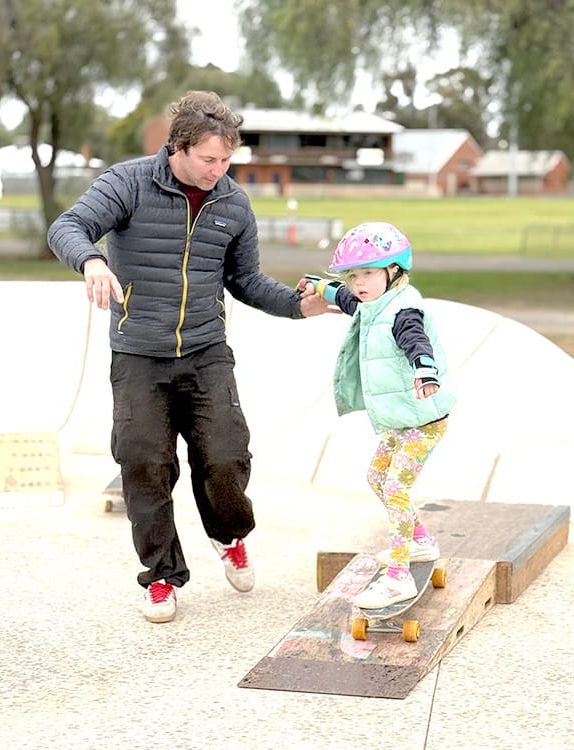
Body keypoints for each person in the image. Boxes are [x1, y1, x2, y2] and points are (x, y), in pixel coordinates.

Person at [48, 91, 332, 623]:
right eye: (208, 160)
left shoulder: (232, 204)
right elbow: (67, 227)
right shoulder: (127, 183)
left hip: (205, 353)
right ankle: (161, 576)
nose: (218, 171)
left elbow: (245, 280)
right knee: (144, 465)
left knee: (226, 458)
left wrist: (302, 307)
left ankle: (229, 536)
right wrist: (89, 260)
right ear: (177, 148)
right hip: (138, 356)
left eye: (227, 160)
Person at [300, 222, 457, 609]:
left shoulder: (404, 310)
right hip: (400, 420)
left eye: (368, 273)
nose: (359, 283)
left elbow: (415, 341)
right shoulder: (372, 302)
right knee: (376, 477)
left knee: (395, 488)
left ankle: (398, 576)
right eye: (354, 275)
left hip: (423, 421)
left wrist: (425, 370)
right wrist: (320, 286)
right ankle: (420, 542)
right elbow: (347, 300)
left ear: (394, 271)